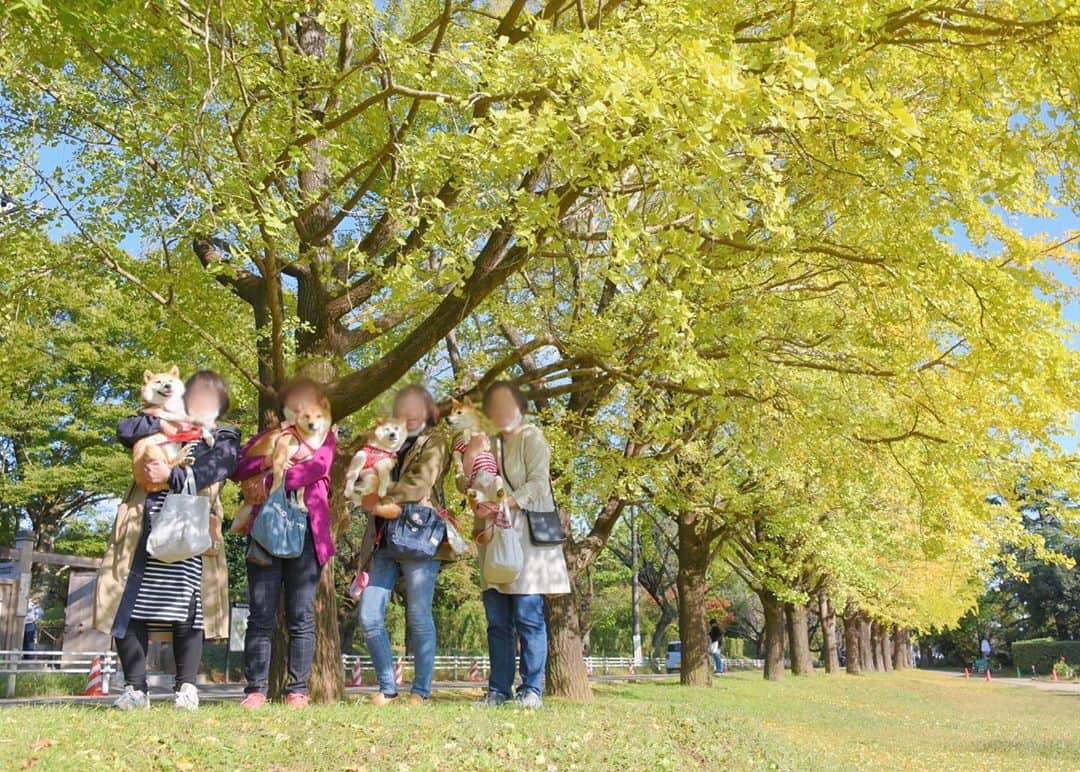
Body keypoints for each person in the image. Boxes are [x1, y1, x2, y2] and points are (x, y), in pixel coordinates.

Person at [93, 370, 239, 711]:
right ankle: (135, 689)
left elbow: (219, 466)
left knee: (189, 610)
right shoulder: (156, 421)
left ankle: (186, 688)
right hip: (140, 526)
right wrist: (167, 423)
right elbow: (125, 429)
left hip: (192, 527)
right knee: (128, 605)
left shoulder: (223, 434)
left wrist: (171, 474)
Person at [231, 376, 337, 709]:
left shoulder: (326, 437)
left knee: (301, 615)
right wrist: (268, 463)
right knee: (260, 615)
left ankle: (298, 690)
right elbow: (237, 468)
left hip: (308, 532)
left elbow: (317, 468)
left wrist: (273, 477)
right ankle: (256, 689)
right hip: (265, 531)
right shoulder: (269, 437)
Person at [470, 381, 570, 709]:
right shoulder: (488, 443)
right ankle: (498, 689)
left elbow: (540, 483)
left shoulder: (532, 437)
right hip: (494, 537)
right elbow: (469, 481)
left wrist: (509, 503)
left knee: (528, 616)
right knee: (497, 620)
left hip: (526, 539)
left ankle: (532, 689)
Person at [357, 384, 454, 706]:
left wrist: (378, 498)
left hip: (418, 534)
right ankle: (387, 687)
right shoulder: (386, 443)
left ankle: (420, 691)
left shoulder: (436, 440)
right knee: (370, 614)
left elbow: (420, 484)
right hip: (383, 537)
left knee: (418, 615)